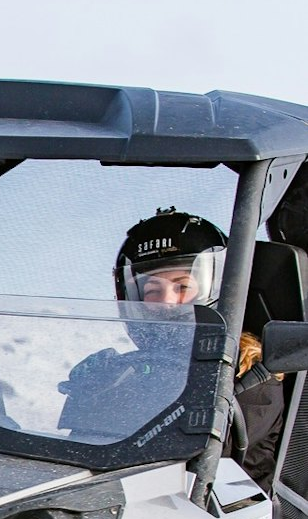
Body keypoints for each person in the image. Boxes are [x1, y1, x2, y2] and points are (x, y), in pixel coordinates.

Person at [59, 208, 283, 486]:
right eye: (152, 290)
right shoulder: (130, 369)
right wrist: (92, 390)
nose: (166, 302)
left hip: (217, 516)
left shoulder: (249, 373)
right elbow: (78, 456)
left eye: (182, 286)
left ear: (219, 288)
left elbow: (192, 450)